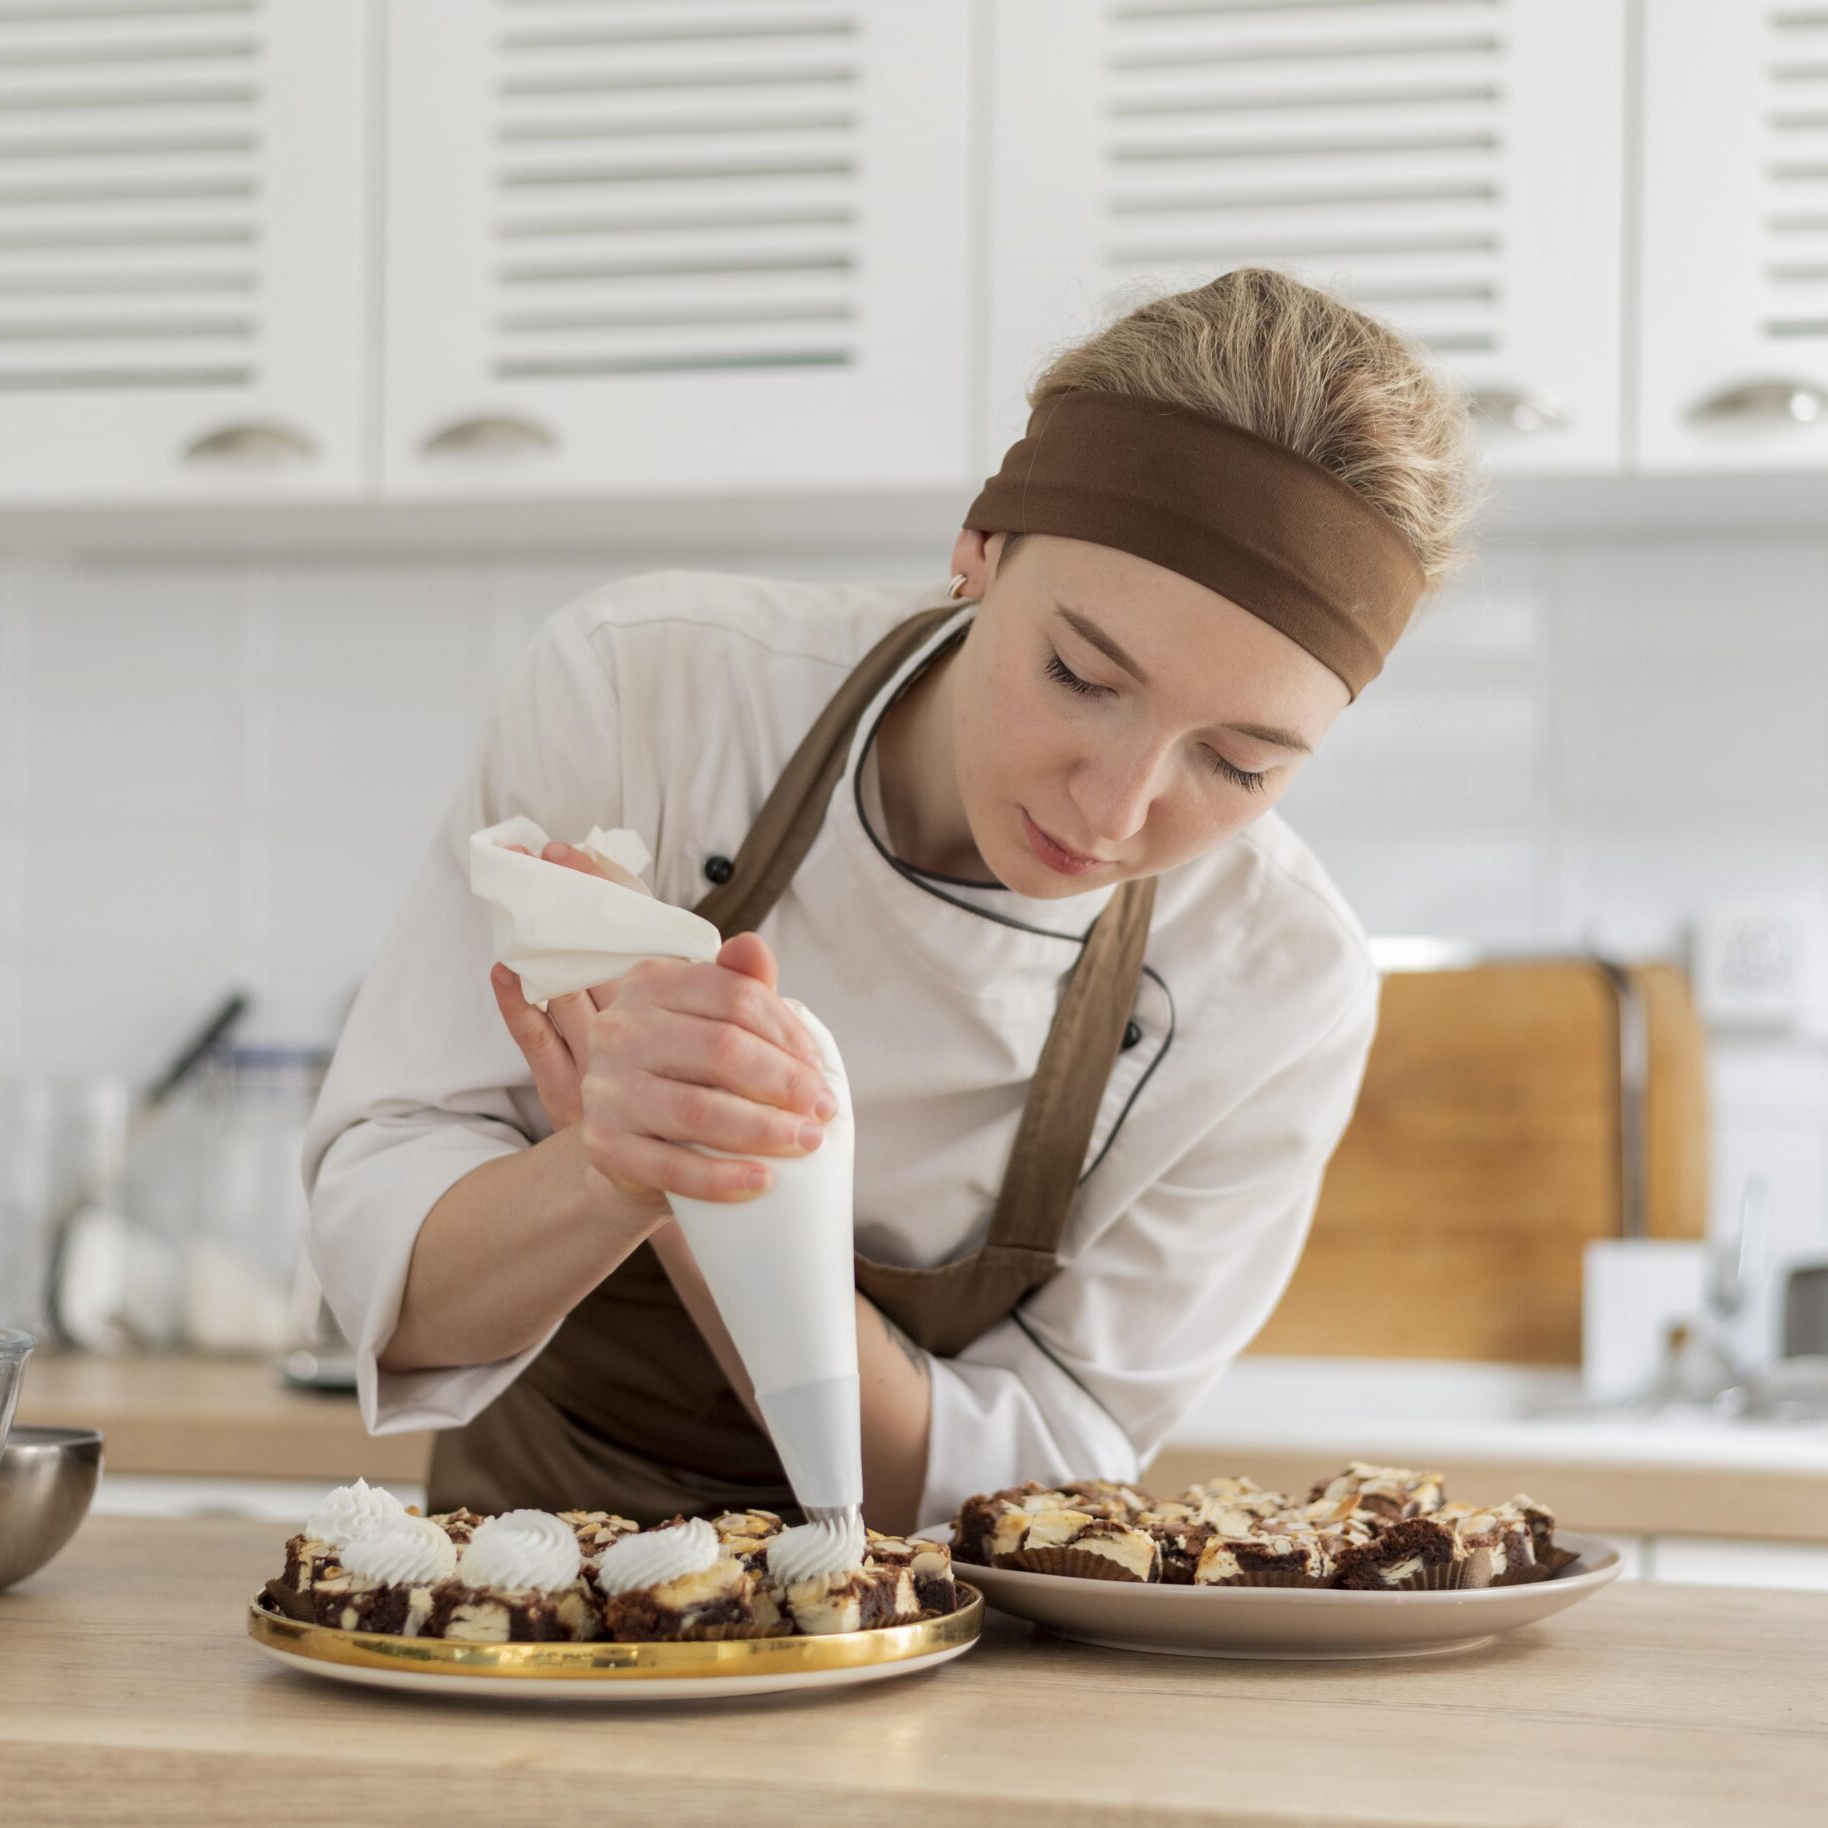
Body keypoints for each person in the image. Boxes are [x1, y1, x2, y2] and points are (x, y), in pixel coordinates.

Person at [301, 266, 1477, 1533]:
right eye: (1080, 675)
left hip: (939, 1632)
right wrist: (608, 1174)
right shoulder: (651, 696)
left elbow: (1043, 1493)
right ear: (979, 549)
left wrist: (708, 1185)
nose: (1115, 806)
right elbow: (384, 1287)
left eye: (1239, 763)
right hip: (517, 1582)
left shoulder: (1279, 978)